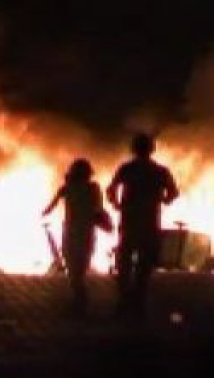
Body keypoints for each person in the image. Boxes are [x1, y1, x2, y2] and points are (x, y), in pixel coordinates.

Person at [107, 133, 179, 318]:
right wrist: (163, 200)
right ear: (151, 149)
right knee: (144, 265)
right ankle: (138, 302)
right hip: (149, 222)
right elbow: (173, 192)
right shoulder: (160, 171)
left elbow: (111, 189)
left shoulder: (127, 168)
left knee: (124, 262)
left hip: (129, 220)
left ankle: (124, 300)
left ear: (134, 149)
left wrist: (117, 204)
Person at [43, 158, 103, 316]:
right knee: (80, 268)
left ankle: (80, 300)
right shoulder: (93, 188)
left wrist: (44, 213)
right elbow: (99, 208)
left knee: (73, 267)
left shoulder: (68, 188)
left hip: (72, 231)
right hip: (87, 232)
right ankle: (80, 300)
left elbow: (50, 207)